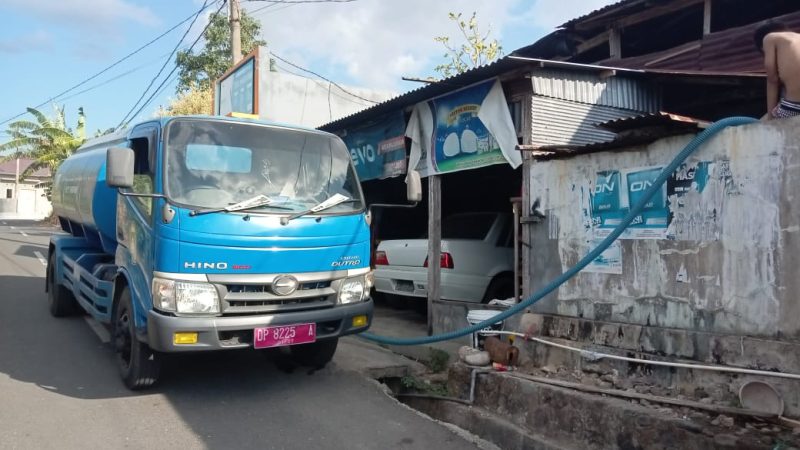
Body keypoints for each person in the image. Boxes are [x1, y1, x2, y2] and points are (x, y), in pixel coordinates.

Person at [755, 21, 800, 119]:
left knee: (764, 119)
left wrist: (770, 119)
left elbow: (773, 80)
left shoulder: (770, 38)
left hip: (794, 108)